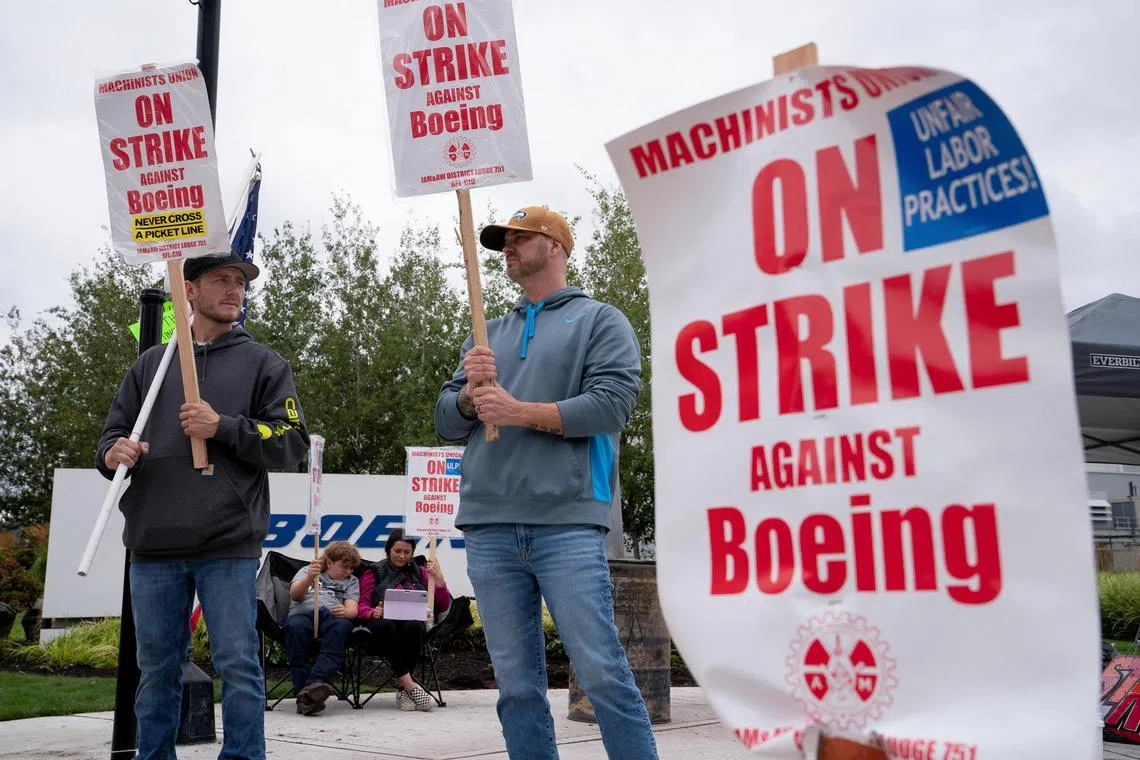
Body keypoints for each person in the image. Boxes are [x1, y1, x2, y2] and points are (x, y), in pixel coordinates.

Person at [434, 207, 659, 759]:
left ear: (555, 246)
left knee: (603, 673)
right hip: (489, 524)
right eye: (502, 241)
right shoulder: (489, 333)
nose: (507, 247)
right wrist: (468, 397)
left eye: (519, 238)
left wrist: (516, 410)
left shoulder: (600, 321)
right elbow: (445, 419)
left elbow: (611, 406)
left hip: (567, 524)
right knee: (516, 689)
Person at [96, 251, 309, 760]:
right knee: (157, 672)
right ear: (188, 290)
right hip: (154, 543)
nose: (234, 289)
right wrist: (115, 451)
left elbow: (292, 441)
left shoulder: (264, 363)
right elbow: (110, 437)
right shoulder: (151, 364)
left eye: (239, 282)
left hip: (228, 541)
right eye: (220, 280)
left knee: (238, 665)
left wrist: (224, 427)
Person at [356, 528, 451, 712]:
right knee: (387, 626)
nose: (402, 556)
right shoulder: (373, 572)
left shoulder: (421, 572)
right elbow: (361, 605)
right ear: (388, 550)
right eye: (397, 551)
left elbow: (443, 603)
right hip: (381, 627)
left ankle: (404, 689)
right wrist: (372, 612)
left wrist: (438, 578)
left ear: (412, 553)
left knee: (415, 626)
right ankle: (409, 685)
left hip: (411, 627)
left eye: (407, 552)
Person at [284, 540, 361, 715]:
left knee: (341, 628)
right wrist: (309, 578)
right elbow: (295, 595)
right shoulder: (307, 571)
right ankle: (308, 694)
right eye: (344, 567)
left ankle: (313, 685)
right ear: (329, 563)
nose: (348, 572)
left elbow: (352, 610)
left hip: (332, 618)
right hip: (302, 616)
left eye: (351, 568)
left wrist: (346, 611)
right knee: (294, 628)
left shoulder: (351, 581)